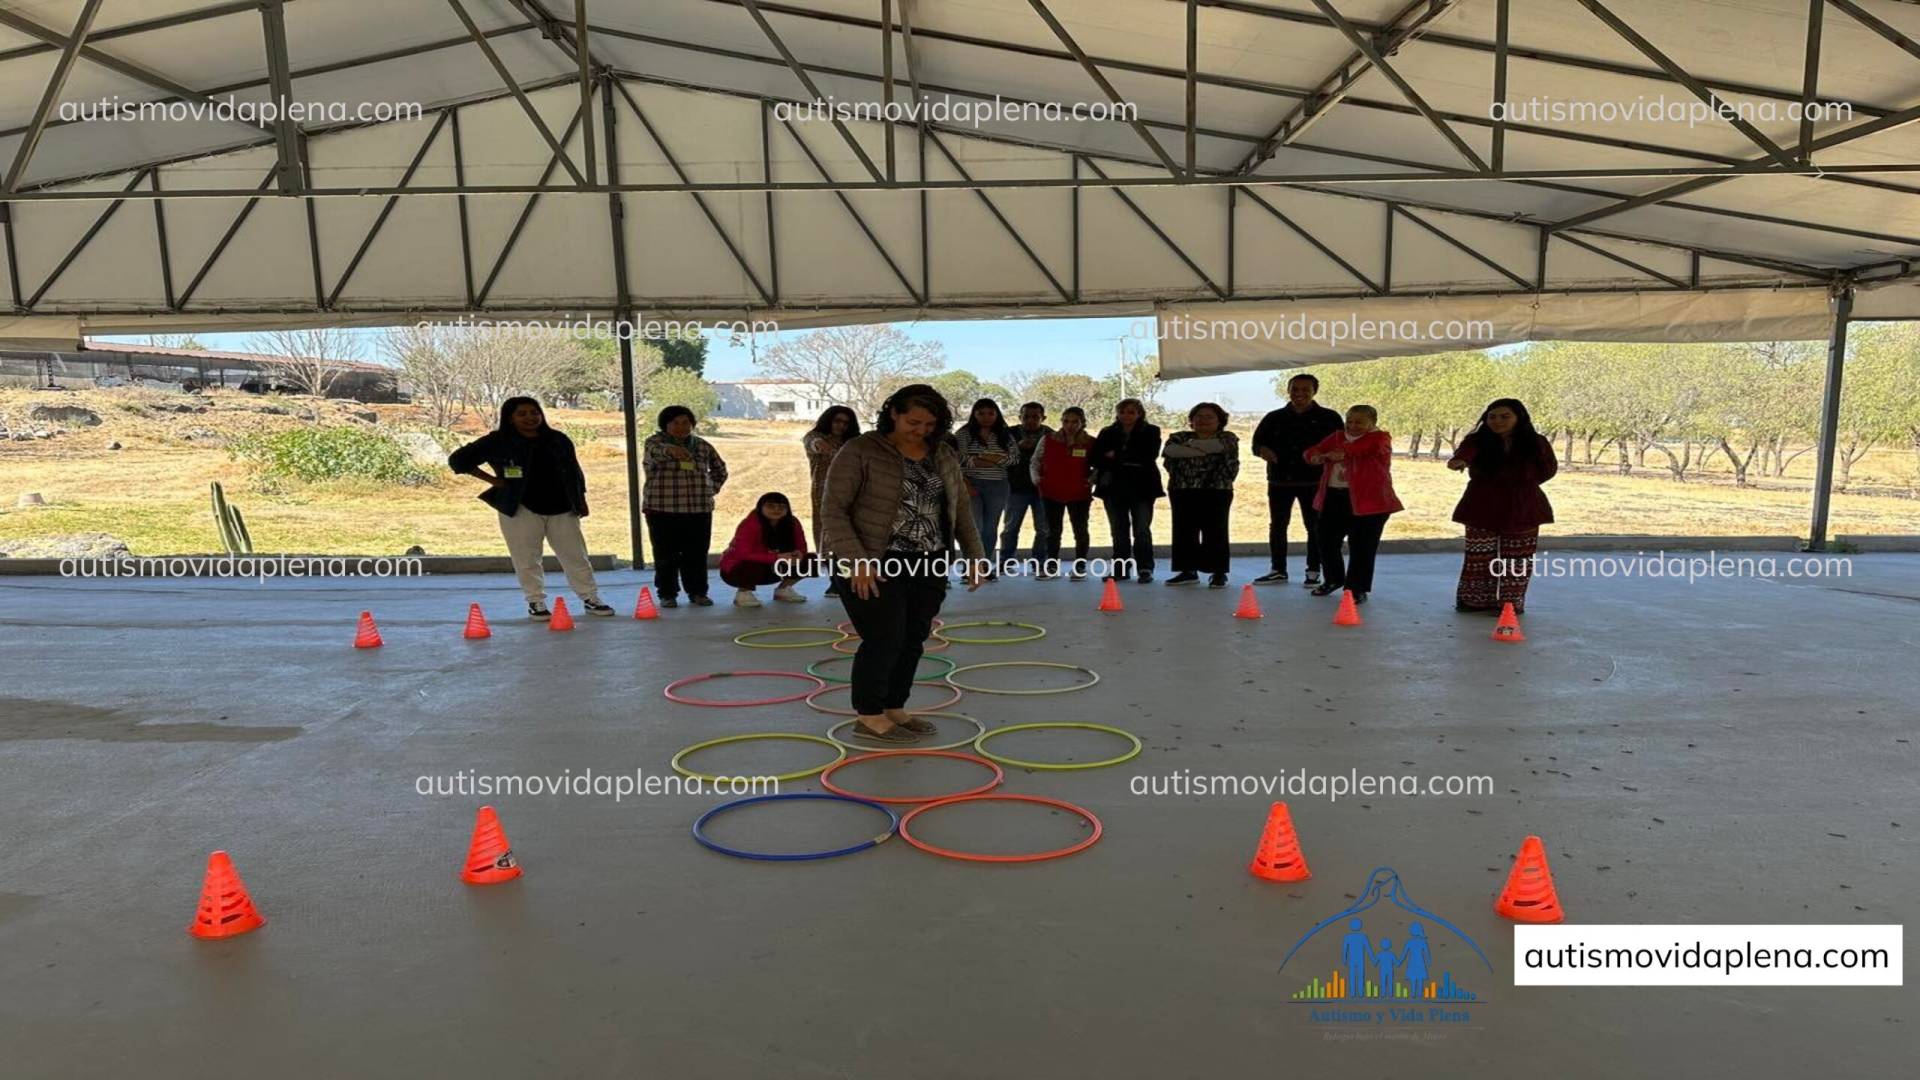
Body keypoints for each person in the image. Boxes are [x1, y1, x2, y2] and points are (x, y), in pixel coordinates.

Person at [818, 384, 986, 743]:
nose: (921, 430)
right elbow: (833, 510)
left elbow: (960, 511)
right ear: (893, 411)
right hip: (873, 560)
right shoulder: (860, 450)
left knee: (912, 638)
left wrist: (975, 556)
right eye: (914, 421)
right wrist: (857, 562)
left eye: (929, 424)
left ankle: (894, 706)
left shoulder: (941, 453)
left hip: (930, 559)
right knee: (884, 637)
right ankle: (868, 714)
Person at [448, 396, 615, 620]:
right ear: (510, 417)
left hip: (563, 506)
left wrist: (581, 499)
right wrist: (494, 481)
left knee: (576, 556)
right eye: (522, 414)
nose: (530, 418)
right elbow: (458, 460)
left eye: (534, 412)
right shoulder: (498, 440)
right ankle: (536, 602)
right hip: (520, 507)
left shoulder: (558, 439)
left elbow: (575, 471)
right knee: (526, 558)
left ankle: (590, 598)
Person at [1448, 398, 1557, 614]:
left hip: (1523, 505)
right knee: (1479, 556)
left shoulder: (1536, 442)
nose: (1497, 421)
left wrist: (1523, 482)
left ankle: (1510, 604)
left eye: (1505, 416)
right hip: (1481, 504)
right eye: (1492, 417)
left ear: (1519, 418)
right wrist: (1458, 462)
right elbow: (1463, 455)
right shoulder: (1476, 440)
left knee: (1517, 559)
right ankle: (1474, 601)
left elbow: (1548, 469)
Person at [1251, 373, 1344, 587]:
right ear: (1288, 390)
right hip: (1279, 481)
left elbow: (1340, 445)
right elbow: (1257, 444)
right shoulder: (1273, 417)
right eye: (1295, 389)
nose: (1299, 394)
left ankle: (1313, 571)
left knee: (1315, 527)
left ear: (1314, 392)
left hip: (1315, 482)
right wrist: (1262, 450)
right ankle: (1278, 570)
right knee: (1278, 526)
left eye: (1305, 390)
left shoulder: (1329, 417)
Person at [1304, 405, 1403, 604]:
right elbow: (1314, 450)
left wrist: (1339, 453)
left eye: (1359, 422)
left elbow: (1364, 449)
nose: (1353, 426)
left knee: (1362, 546)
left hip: (1371, 502)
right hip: (1334, 497)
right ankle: (1334, 579)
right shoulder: (1337, 436)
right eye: (1349, 421)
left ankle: (1357, 588)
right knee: (1325, 539)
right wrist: (1313, 456)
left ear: (1372, 423)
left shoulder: (1380, 438)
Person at [642, 405, 728, 608]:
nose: (681, 427)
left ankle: (698, 592)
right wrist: (671, 449)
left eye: (686, 423)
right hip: (662, 510)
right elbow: (655, 453)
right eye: (675, 423)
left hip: (698, 510)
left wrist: (709, 489)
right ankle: (667, 594)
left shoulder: (702, 446)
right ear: (665, 425)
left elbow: (720, 470)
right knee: (665, 555)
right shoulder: (654, 443)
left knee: (697, 555)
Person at [1161, 402, 1240, 589]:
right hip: (1182, 489)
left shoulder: (1228, 437)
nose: (1203, 420)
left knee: (1216, 531)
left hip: (1217, 490)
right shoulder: (1178, 436)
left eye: (1209, 417)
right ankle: (1188, 571)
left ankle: (1218, 573)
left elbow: (1222, 447)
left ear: (1220, 420)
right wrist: (1206, 448)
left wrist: (1190, 448)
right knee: (1184, 530)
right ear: (1191, 420)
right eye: (1199, 416)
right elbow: (1170, 451)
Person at [1092, 398, 1163, 584]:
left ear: (1139, 414)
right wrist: (1125, 458)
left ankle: (1145, 568)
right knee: (1118, 530)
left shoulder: (1151, 431)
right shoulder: (1107, 432)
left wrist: (1115, 456)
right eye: (1123, 412)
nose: (1126, 416)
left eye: (1131, 412)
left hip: (1143, 487)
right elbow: (1096, 458)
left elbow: (1149, 456)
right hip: (1113, 487)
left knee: (1142, 530)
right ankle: (1120, 569)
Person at [953, 398, 1018, 578]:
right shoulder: (964, 434)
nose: (986, 417)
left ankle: (984, 565)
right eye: (981, 413)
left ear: (997, 414)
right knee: (974, 527)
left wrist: (986, 458)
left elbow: (1013, 458)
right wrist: (990, 458)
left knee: (991, 528)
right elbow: (958, 458)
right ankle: (970, 567)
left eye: (991, 413)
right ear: (974, 414)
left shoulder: (1005, 434)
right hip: (970, 484)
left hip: (998, 485)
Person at [1031, 406, 1097, 579]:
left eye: (1075, 421)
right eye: (1066, 421)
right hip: (1051, 492)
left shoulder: (1090, 442)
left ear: (1082, 423)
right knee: (1052, 531)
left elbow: (1100, 466)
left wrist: (1090, 481)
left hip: (1079, 493)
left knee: (1080, 530)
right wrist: (1037, 479)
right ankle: (1051, 566)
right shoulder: (1048, 439)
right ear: (1061, 422)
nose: (1070, 425)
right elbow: (1035, 461)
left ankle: (1080, 566)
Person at [803, 405, 860, 597]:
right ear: (828, 420)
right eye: (837, 421)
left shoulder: (854, 443)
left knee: (849, 539)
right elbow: (816, 444)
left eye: (846, 423)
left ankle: (847, 579)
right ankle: (836, 582)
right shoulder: (815, 437)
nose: (841, 426)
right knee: (829, 540)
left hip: (853, 496)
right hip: (824, 495)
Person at [719, 492, 810, 608]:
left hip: (774, 566)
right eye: (771, 506)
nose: (776, 509)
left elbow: (802, 545)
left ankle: (783, 590)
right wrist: (777, 557)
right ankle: (743, 593)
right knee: (751, 564)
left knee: (810, 560)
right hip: (736, 570)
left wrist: (800, 554)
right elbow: (743, 554)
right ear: (760, 507)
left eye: (782, 507)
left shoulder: (792, 522)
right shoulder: (750, 524)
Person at [1000, 402, 1053, 577]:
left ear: (1043, 418)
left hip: (1042, 488)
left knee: (1044, 528)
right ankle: (1005, 561)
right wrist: (1018, 449)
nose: (1030, 420)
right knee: (1010, 527)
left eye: (1035, 417)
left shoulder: (1050, 435)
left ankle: (1040, 562)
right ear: (1019, 417)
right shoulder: (1009, 434)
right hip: (1015, 488)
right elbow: (999, 458)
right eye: (1026, 417)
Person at [1400, 922, 1433, 999]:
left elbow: (1404, 954)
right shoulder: (1419, 942)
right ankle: (1416, 994)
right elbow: (1404, 953)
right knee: (1417, 978)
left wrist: (1399, 961)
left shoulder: (1412, 942)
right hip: (1418, 962)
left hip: (1416, 962)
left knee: (1416, 978)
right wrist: (1428, 961)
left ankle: (1415, 994)